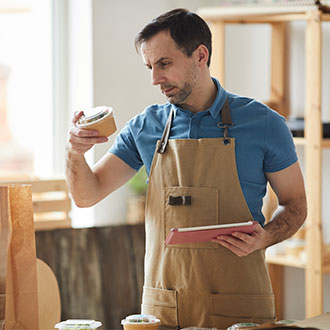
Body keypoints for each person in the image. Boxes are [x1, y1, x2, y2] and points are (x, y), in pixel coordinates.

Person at [66, 8, 307, 329]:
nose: (155, 79)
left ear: (200, 55)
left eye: (164, 64)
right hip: (163, 307)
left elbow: (296, 205)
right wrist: (75, 152)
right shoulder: (144, 127)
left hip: (240, 302)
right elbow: (87, 196)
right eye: (149, 67)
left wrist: (265, 238)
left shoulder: (264, 123)